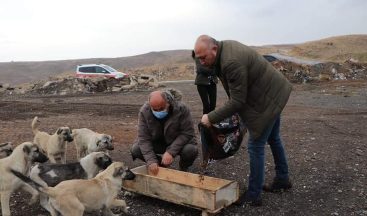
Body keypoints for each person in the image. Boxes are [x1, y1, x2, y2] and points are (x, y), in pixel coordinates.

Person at [194, 35, 292, 206]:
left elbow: (238, 101)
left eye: (203, 57)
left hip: (266, 100)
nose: (201, 62)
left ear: (214, 49)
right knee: (274, 138)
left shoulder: (230, 62)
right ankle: (283, 178)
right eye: (198, 58)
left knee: (256, 146)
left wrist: (210, 117)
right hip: (273, 92)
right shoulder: (225, 49)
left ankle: (254, 194)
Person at [130, 88, 198, 175]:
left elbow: (187, 133)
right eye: (155, 109)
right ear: (150, 106)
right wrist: (151, 160)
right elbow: (144, 138)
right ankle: (161, 167)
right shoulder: (144, 111)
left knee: (191, 150)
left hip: (177, 141)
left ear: (168, 103)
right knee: (136, 149)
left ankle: (183, 167)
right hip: (158, 142)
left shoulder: (181, 109)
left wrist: (171, 152)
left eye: (162, 108)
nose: (159, 111)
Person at [192, 50, 218, 114]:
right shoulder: (198, 57)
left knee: (213, 105)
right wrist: (213, 71)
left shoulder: (213, 57)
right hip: (201, 83)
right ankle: (204, 122)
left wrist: (214, 69)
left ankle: (211, 121)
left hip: (212, 82)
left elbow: (217, 67)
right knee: (206, 105)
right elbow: (200, 69)